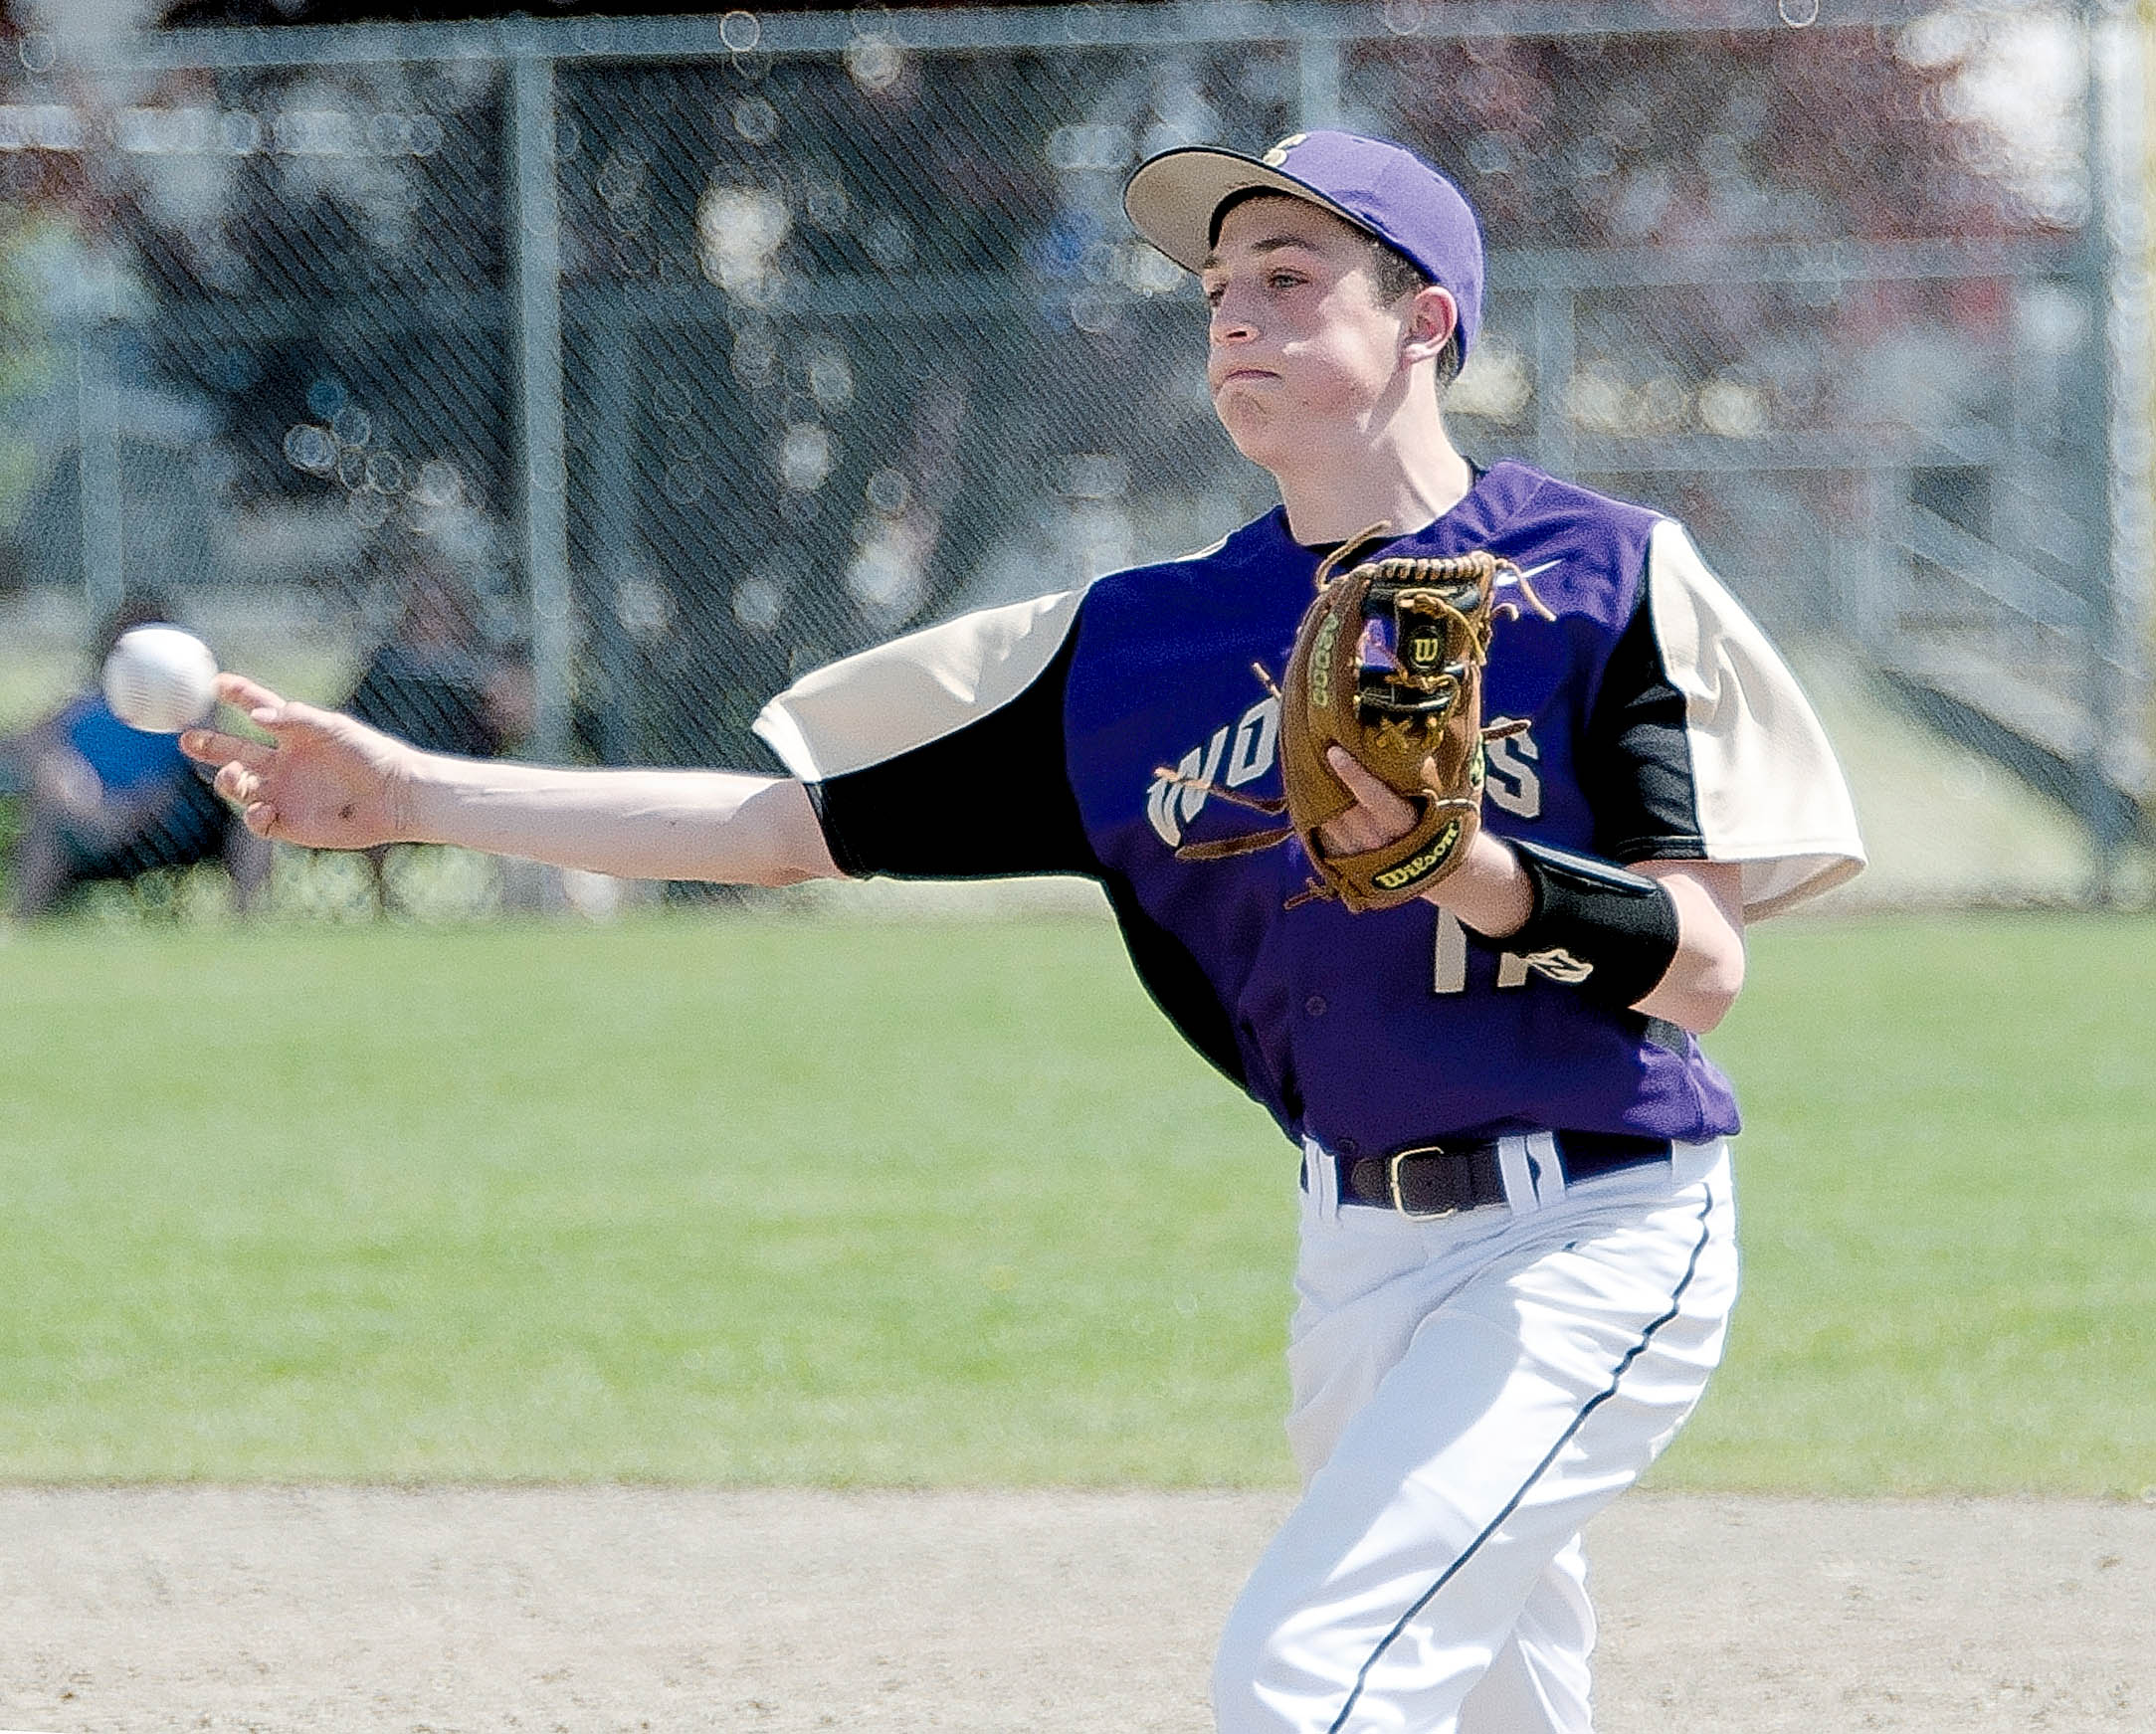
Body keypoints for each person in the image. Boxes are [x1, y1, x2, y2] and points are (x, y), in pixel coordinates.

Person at [184, 130, 1864, 1732]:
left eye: (1289, 275)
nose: (1234, 313)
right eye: (1217, 287)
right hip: (1357, 1255)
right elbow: (787, 828)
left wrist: (1467, 868)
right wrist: (415, 792)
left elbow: (1702, 967)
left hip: (1591, 1233)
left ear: (1425, 318)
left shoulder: (1597, 575)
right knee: (1487, 1687)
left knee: (1311, 1669)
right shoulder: (1139, 648)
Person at [5, 594, 270, 921]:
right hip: (90, 823)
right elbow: (24, 745)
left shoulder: (189, 712)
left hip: (169, 826)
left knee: (251, 822)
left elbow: (214, 768)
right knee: (45, 825)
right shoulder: (83, 709)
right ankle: (21, 929)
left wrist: (199, 725)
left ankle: (246, 922)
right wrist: (65, 778)